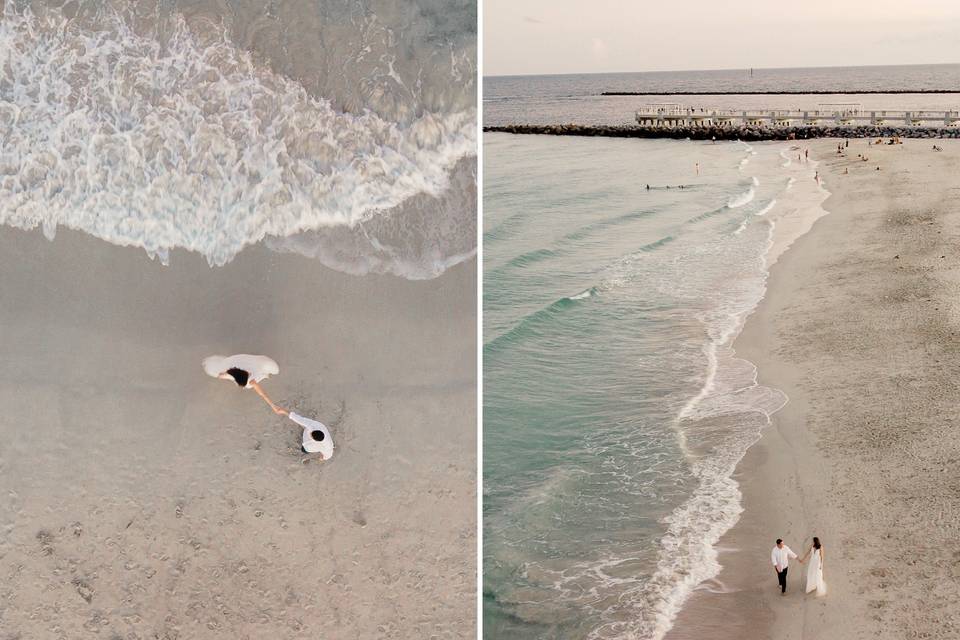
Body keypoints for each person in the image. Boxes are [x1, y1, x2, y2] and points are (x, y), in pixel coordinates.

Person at [203, 354, 289, 416]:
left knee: (272, 371)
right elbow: (262, 394)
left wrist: (273, 406)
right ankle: (264, 373)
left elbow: (262, 394)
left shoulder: (235, 368)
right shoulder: (248, 378)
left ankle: (264, 373)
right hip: (253, 361)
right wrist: (273, 406)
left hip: (240, 363)